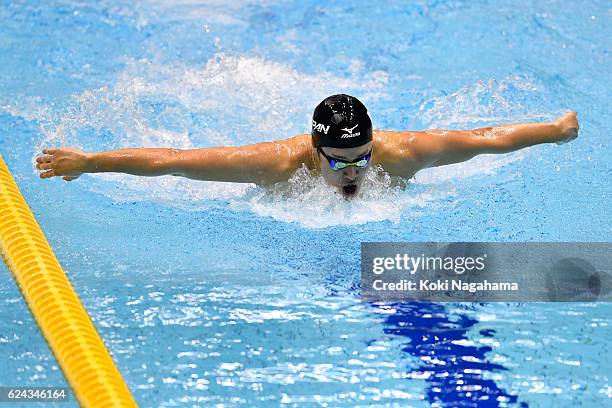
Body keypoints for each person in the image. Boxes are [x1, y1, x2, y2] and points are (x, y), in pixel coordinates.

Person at [36, 94, 579, 198]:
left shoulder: (405, 153)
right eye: (339, 161)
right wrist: (90, 162)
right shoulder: (276, 165)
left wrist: (554, 131)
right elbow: (173, 162)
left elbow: (487, 140)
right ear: (315, 152)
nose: (353, 171)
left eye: (361, 156)